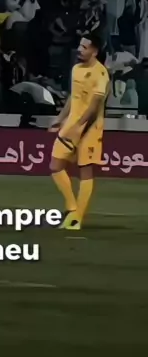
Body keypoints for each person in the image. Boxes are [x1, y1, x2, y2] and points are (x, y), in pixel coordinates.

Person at [48, 33, 109, 231]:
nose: (80, 50)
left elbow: (94, 106)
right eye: (80, 46)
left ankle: (77, 218)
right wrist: (60, 119)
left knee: (85, 169)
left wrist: (79, 127)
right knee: (55, 165)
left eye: (84, 47)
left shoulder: (100, 74)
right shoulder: (76, 69)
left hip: (90, 128)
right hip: (71, 124)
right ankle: (71, 207)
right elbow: (72, 98)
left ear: (94, 51)